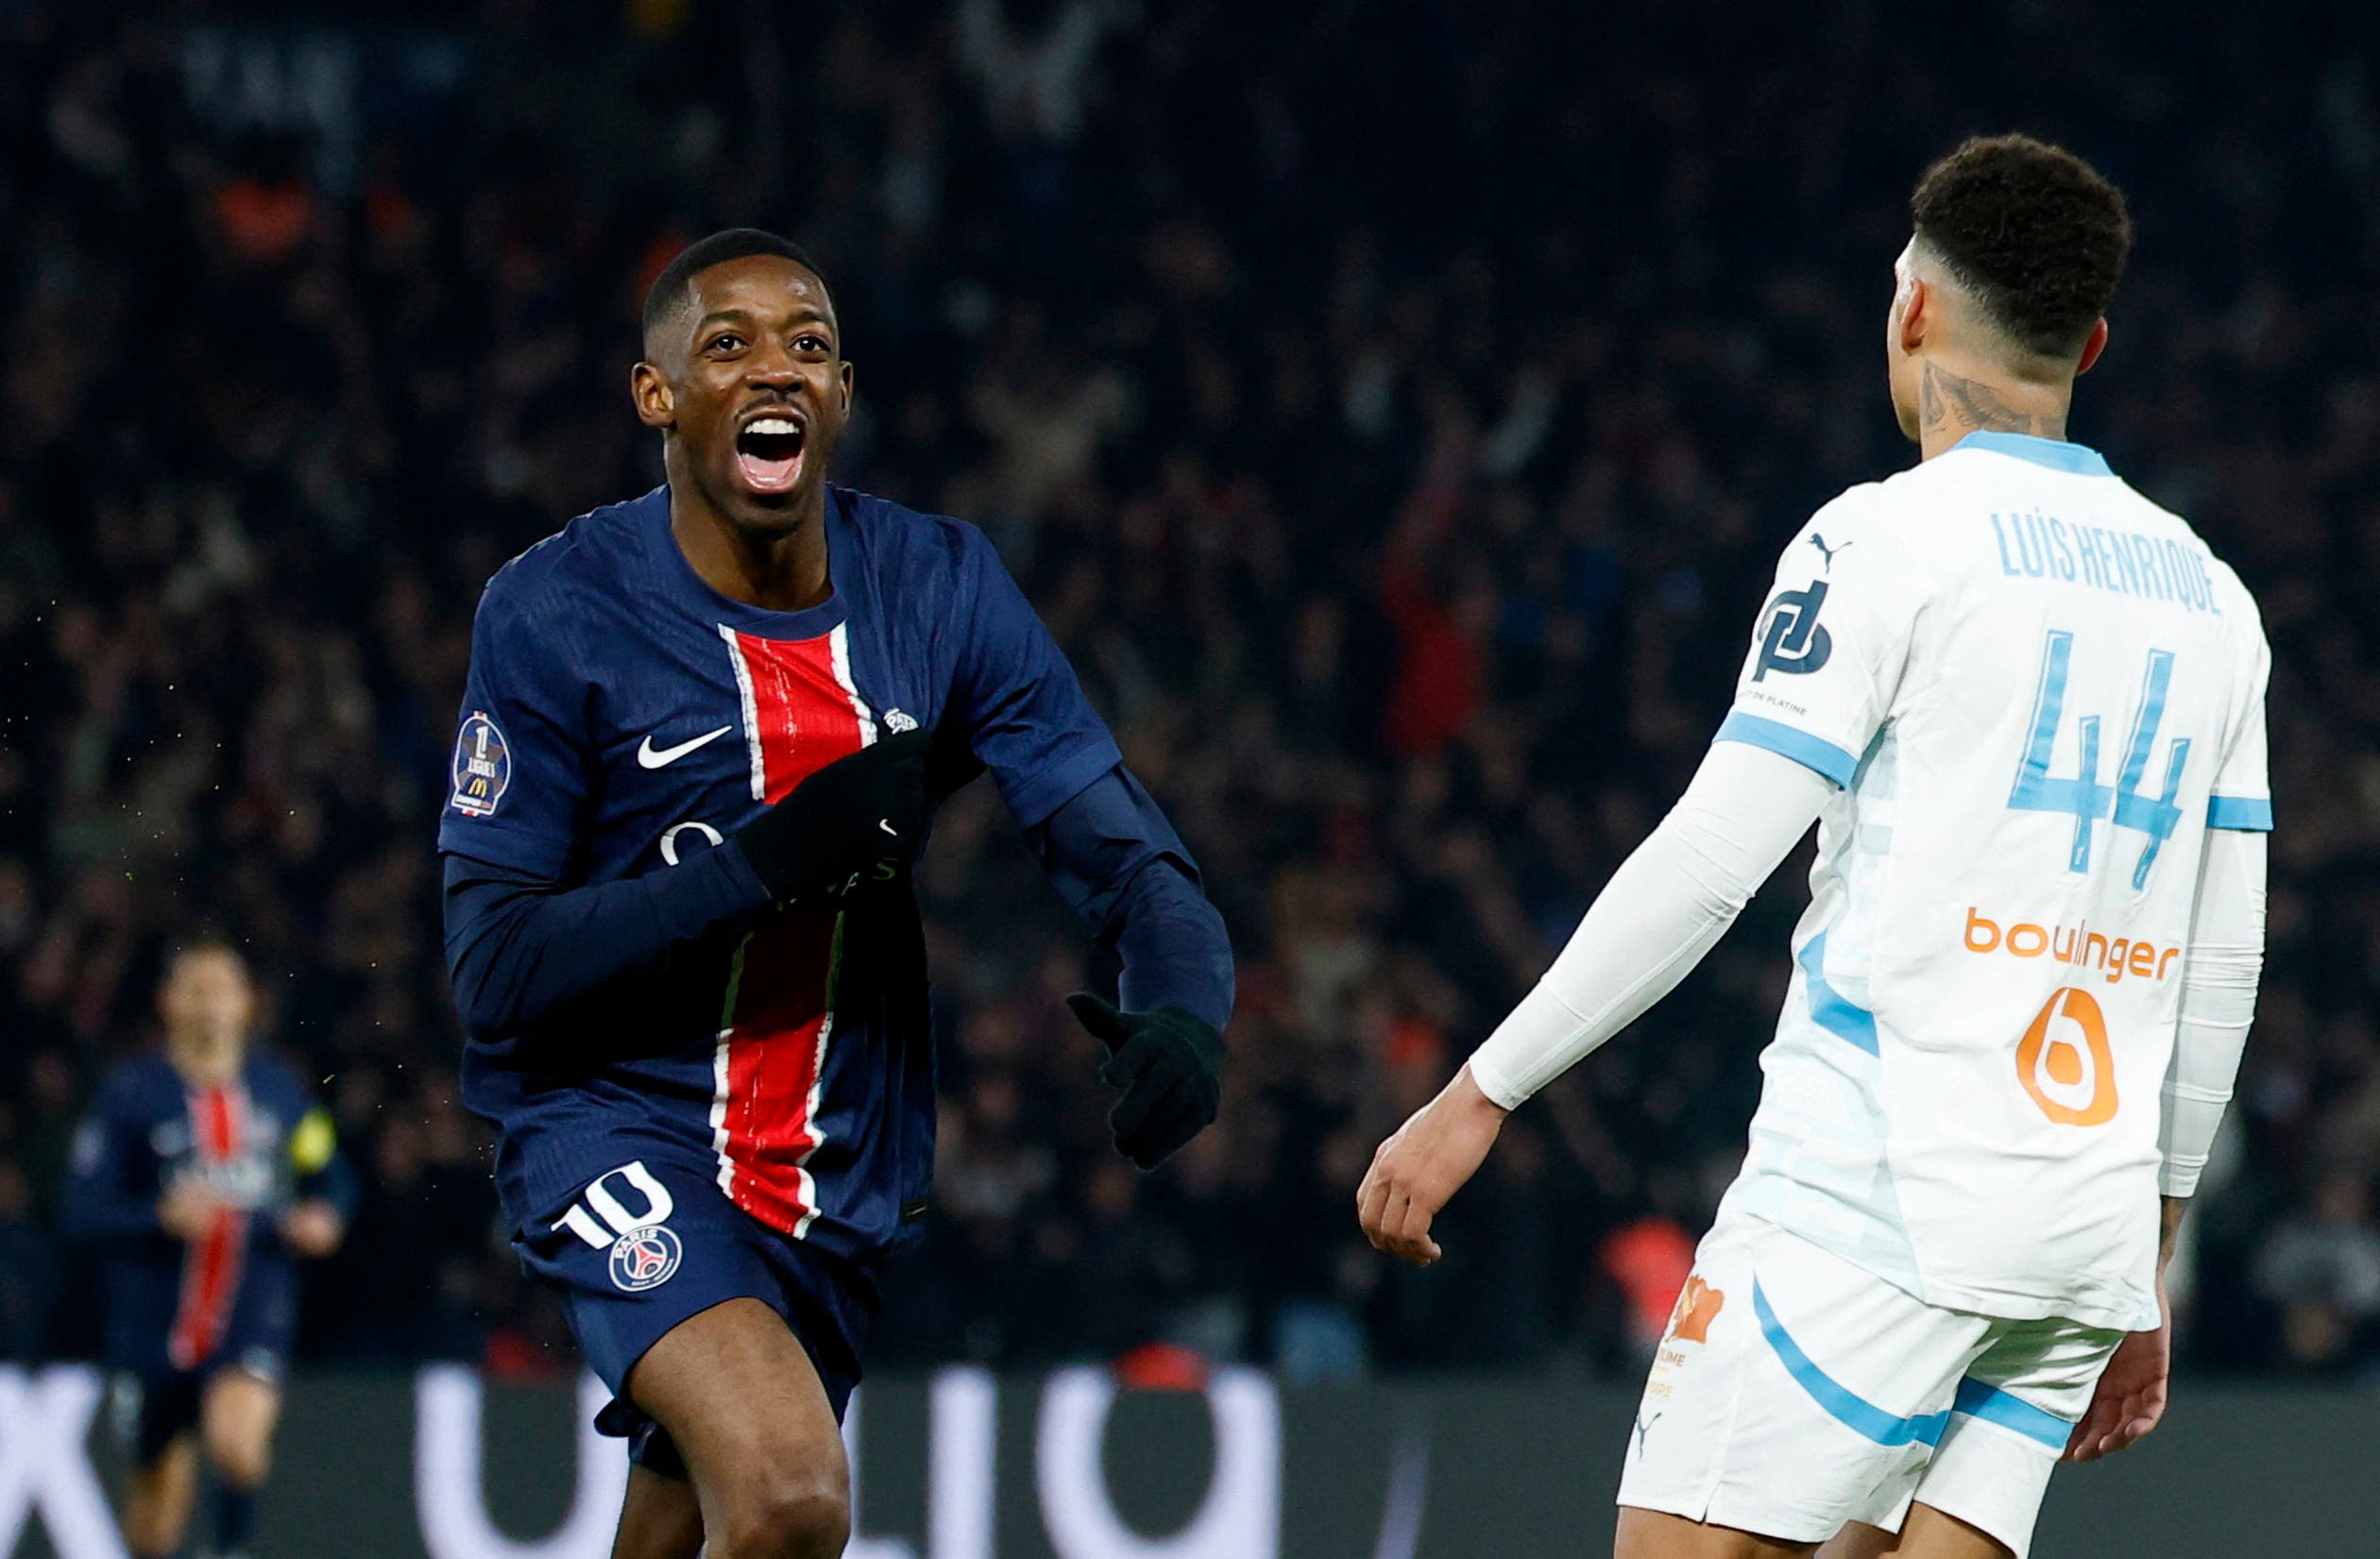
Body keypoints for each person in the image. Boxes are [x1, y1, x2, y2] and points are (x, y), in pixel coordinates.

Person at [1357, 135, 2270, 1559]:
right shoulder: (2215, 600)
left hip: (1874, 1197)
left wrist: (1482, 1088)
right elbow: (2221, 967)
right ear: (2090, 341)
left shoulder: (1881, 541)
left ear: (1911, 311)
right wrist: (2149, 1255)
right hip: (2075, 1241)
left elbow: (1716, 854)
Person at [440, 229, 1233, 1559]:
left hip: (836, 1159)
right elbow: (496, 968)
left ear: (845, 393)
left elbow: (1115, 838)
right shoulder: (553, 610)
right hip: (613, 1118)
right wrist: (771, 859)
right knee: (794, 1489)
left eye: (808, 345)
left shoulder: (939, 586)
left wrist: (1185, 999)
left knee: (686, 1517)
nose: (776, 370)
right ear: (657, 396)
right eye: (729, 343)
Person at [62, 942, 352, 1559]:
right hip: (155, 1321)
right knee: (154, 1522)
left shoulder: (281, 1094)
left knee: (238, 1444)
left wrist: (327, 1213)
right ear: (168, 1002)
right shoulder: (131, 1096)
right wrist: (156, 1216)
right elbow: (82, 1210)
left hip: (253, 1301)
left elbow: (330, 1173)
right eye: (196, 987)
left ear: (247, 1003)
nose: (211, 1003)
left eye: (223, 987)